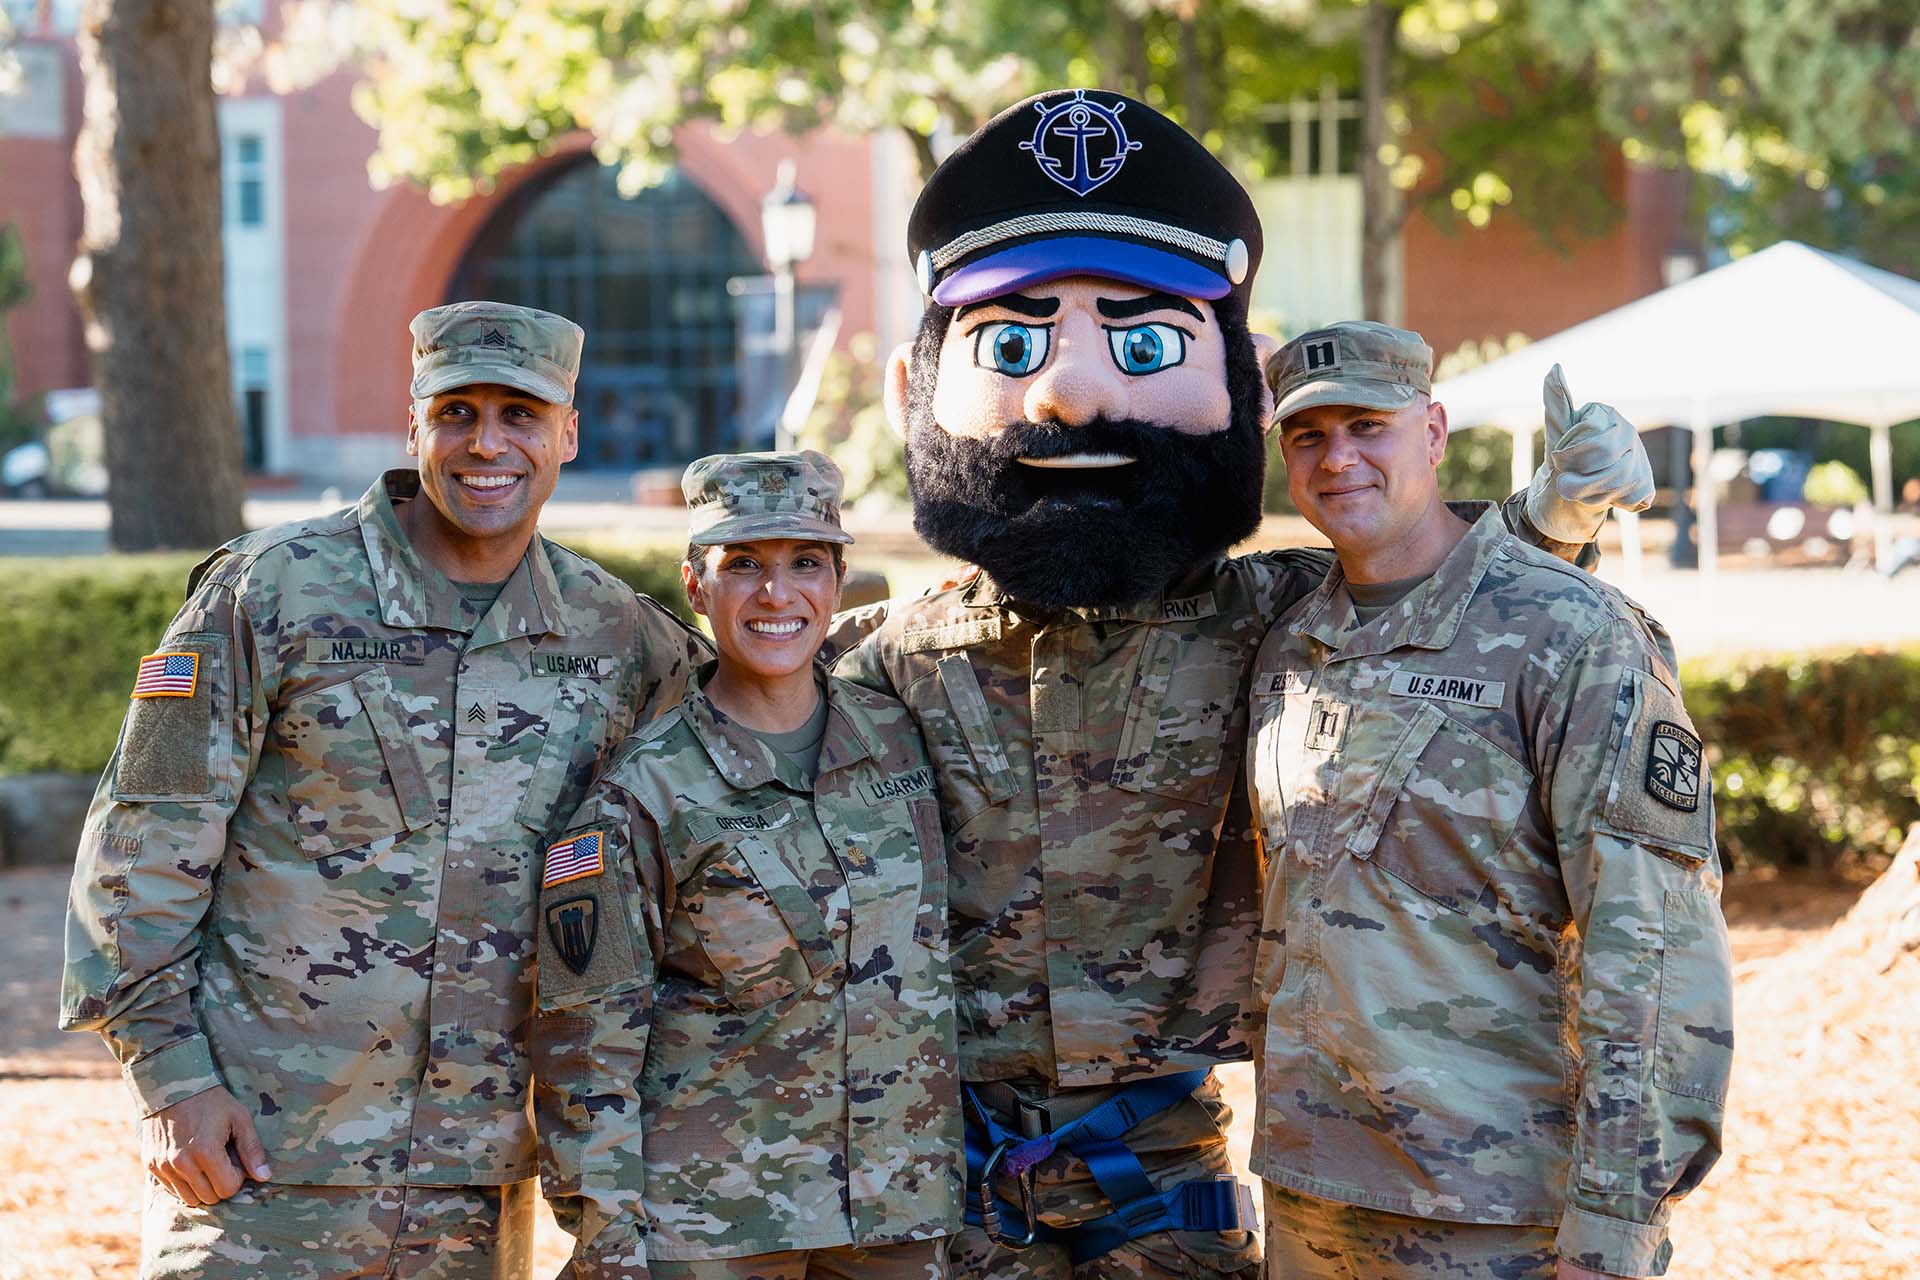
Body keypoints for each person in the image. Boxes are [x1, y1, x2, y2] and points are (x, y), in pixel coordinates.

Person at [826, 88, 1654, 1280]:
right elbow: (740, 688)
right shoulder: (895, 653)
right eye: (1012, 345)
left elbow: (1422, 597)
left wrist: (1547, 520)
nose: (1070, 395)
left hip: (1161, 1166)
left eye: (1145, 341)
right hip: (953, 1157)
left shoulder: (1265, 618)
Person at [59, 301, 708, 1278]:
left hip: (474, 1188)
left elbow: (753, 767)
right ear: (414, 425)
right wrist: (170, 1080)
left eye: (521, 415)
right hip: (257, 1170)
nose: (486, 443)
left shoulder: (620, 636)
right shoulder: (267, 592)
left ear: (568, 432)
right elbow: (136, 846)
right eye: (456, 412)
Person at [1246, 321, 1733, 1279]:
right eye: (1308, 437)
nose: (1338, 458)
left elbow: (1653, 948)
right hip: (1309, 1193)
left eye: (1367, 426)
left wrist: (1614, 1230)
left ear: (1432, 430)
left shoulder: (1572, 634)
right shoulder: (1290, 640)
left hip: (1497, 1211)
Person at [531, 450, 963, 1280]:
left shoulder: (899, 740)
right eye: (743, 566)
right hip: (714, 1222)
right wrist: (612, 1243)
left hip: (899, 1210)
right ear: (697, 587)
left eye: (805, 562)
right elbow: (585, 1045)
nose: (776, 593)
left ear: (838, 584)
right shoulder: (639, 795)